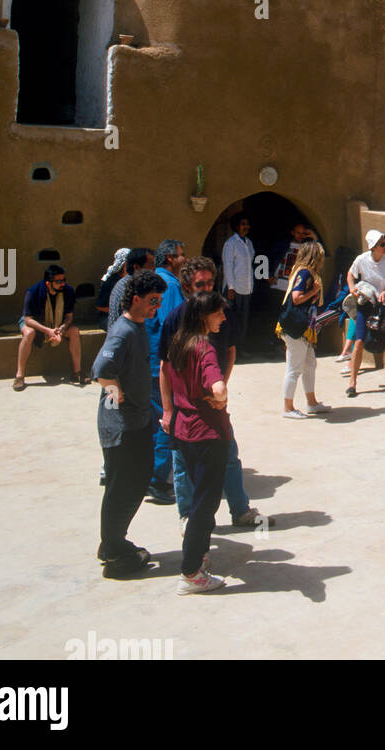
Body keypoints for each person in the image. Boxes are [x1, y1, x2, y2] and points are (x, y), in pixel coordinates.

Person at [160, 257, 264, 532]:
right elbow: (165, 366)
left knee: (229, 455)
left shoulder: (221, 313)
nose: (206, 289)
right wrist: (168, 410)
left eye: (209, 283)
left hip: (214, 407)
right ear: (186, 287)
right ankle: (188, 517)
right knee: (182, 465)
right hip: (186, 410)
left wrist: (222, 389)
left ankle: (239, 511)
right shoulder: (174, 320)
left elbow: (229, 352)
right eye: (199, 284)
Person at [91, 271, 162, 578]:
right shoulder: (123, 331)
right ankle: (114, 549)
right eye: (152, 301)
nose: (155, 308)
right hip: (121, 426)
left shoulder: (136, 326)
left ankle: (111, 543)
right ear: (136, 299)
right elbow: (101, 369)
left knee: (136, 478)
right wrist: (117, 395)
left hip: (137, 420)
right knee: (123, 487)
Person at [160, 291, 230, 594]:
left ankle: (198, 557)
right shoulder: (205, 348)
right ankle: (191, 572)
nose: (223, 318)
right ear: (205, 316)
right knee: (205, 504)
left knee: (198, 498)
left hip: (184, 432)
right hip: (207, 435)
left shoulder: (179, 342)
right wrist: (221, 397)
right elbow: (217, 385)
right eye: (218, 313)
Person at [145, 240, 187, 503]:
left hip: (149, 361)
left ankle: (150, 471)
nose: (185, 259)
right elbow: (172, 325)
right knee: (166, 420)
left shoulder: (154, 280)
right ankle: (158, 479)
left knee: (155, 420)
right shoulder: (169, 285)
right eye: (182, 255)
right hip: (162, 363)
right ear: (171, 258)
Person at [344, 229, 385, 394]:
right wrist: (352, 289)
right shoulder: (361, 260)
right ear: (373, 247)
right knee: (359, 341)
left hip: (384, 305)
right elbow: (350, 274)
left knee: (381, 343)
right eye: (382, 244)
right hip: (365, 303)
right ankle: (352, 383)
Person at [278, 240, 330, 418]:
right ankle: (288, 408)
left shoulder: (301, 272)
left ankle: (312, 402)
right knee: (294, 368)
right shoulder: (306, 274)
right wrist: (314, 292)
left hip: (303, 328)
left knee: (309, 365)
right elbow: (296, 298)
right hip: (296, 328)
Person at [14, 264, 85, 391]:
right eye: (58, 281)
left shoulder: (68, 291)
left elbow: (69, 316)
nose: (62, 284)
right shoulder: (33, 292)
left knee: (74, 331)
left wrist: (63, 328)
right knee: (29, 333)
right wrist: (48, 331)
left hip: (57, 324)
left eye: (64, 280)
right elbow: (28, 319)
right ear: (48, 283)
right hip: (35, 322)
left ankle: (77, 372)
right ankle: (19, 376)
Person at [221, 213, 256, 350]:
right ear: (236, 226)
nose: (246, 227)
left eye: (247, 224)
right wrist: (230, 287)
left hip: (246, 289)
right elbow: (228, 265)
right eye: (243, 224)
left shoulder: (249, 243)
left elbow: (250, 266)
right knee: (231, 321)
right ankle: (229, 350)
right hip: (234, 290)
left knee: (243, 322)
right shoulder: (231, 244)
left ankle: (239, 350)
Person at [104, 248, 154, 328]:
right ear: (136, 267)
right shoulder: (131, 286)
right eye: (151, 264)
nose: (154, 268)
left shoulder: (126, 282)